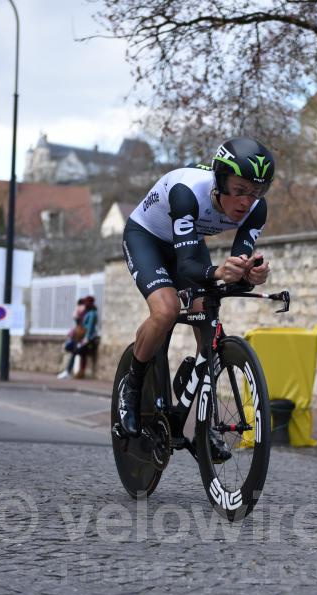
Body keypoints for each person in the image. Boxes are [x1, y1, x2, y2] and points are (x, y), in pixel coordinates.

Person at [115, 137, 273, 437]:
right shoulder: (187, 192)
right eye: (239, 190)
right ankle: (131, 387)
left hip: (187, 243)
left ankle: (201, 412)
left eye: (255, 192)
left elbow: (238, 261)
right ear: (220, 182)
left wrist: (250, 273)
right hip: (146, 238)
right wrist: (218, 271)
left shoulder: (256, 209)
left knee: (208, 321)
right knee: (166, 310)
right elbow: (187, 267)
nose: (245, 201)